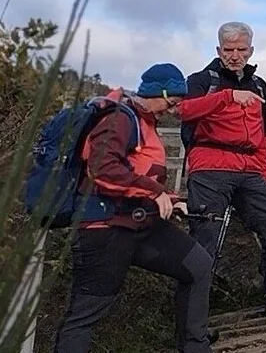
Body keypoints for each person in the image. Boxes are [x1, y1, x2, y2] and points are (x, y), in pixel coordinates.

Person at [54, 64, 218, 353]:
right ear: (158, 93)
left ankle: (195, 347)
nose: (171, 110)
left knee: (199, 266)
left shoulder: (144, 123)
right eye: (171, 103)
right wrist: (154, 192)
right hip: (104, 229)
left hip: (141, 223)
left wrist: (169, 197)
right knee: (86, 313)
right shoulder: (120, 118)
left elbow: (139, 173)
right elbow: (102, 169)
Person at [182, 22, 266, 321]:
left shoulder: (259, 85)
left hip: (250, 170)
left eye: (241, 50)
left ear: (251, 50)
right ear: (218, 50)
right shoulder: (199, 80)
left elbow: (264, 136)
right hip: (210, 166)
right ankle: (192, 321)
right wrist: (228, 96)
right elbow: (185, 111)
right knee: (205, 242)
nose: (235, 56)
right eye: (229, 50)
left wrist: (265, 176)